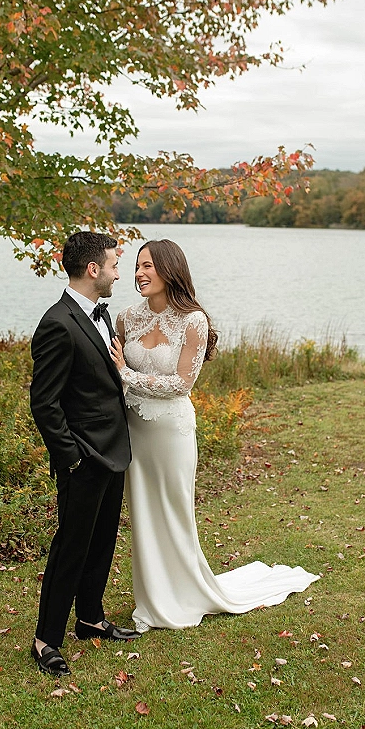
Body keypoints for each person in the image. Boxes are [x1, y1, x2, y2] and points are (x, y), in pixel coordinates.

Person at [110, 239, 319, 632]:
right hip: (134, 429)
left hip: (171, 431)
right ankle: (152, 598)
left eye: (149, 266)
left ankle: (185, 592)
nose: (139, 273)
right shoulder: (125, 319)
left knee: (174, 511)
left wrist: (126, 374)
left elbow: (181, 384)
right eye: (137, 266)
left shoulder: (193, 321)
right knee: (142, 513)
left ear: (170, 269)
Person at [29, 231, 140, 677]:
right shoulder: (57, 323)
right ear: (93, 270)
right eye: (114, 264)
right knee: (71, 546)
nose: (118, 272)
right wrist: (71, 457)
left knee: (102, 540)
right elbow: (44, 403)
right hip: (84, 459)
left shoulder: (99, 315)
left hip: (114, 452)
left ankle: (90, 618)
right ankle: (45, 639)